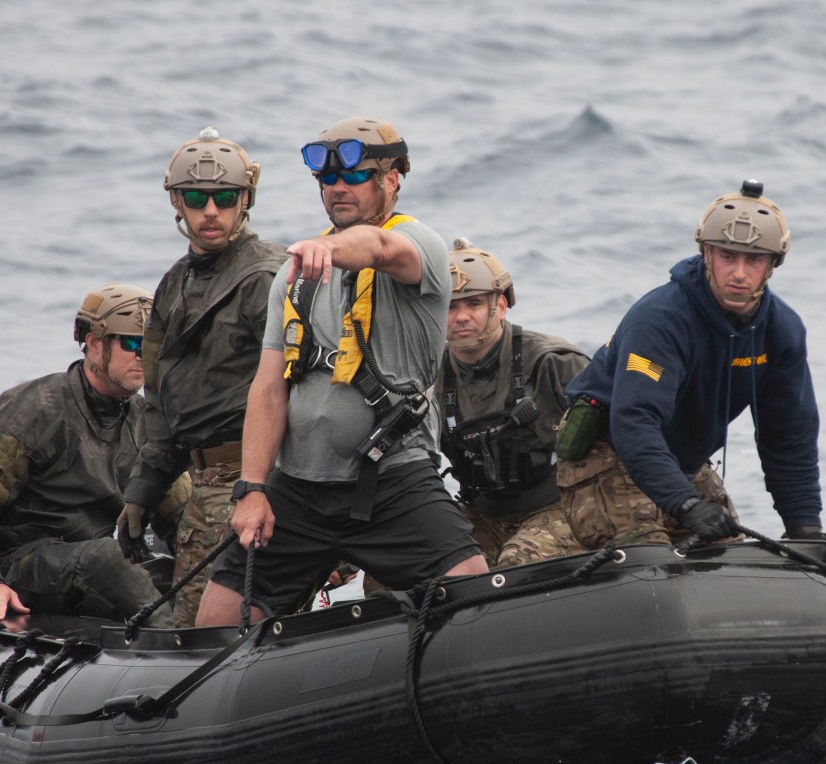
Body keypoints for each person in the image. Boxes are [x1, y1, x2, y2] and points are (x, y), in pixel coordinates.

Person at [196, 116, 488, 626]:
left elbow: (377, 249)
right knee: (216, 622)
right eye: (327, 180)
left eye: (353, 177)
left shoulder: (421, 246)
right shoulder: (294, 274)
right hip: (298, 489)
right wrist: (252, 489)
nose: (337, 187)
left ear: (391, 180)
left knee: (470, 590)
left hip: (392, 480)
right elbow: (268, 388)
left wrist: (326, 247)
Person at [556, 180, 822, 549]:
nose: (740, 273)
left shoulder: (782, 331)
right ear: (706, 253)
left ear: (772, 265)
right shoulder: (659, 321)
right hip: (609, 451)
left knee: (729, 559)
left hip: (680, 459)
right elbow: (634, 420)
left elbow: (790, 437)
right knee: (646, 560)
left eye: (754, 260)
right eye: (728, 256)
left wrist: (804, 527)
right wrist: (685, 504)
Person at [117, 128, 289, 623]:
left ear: (245, 201)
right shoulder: (174, 284)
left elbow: (303, 395)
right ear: (177, 203)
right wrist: (142, 492)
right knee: (190, 636)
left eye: (224, 198)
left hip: (259, 487)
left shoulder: (268, 279)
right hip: (203, 492)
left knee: (241, 634)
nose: (210, 211)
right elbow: (162, 400)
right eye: (196, 198)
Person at [0, 283, 176, 628]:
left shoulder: (146, 421)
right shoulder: (37, 409)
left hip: (93, 562)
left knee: (177, 570)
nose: (145, 357)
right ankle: (177, 647)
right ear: (94, 344)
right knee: (105, 557)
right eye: (133, 343)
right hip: (25, 565)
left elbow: (180, 510)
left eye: (153, 346)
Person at [439, 239, 591, 568]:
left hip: (562, 507)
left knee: (517, 564)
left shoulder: (554, 363)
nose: (462, 317)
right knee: (401, 566)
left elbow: (616, 439)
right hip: (483, 516)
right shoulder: (427, 377)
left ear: (501, 307)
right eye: (450, 307)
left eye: (474, 304)